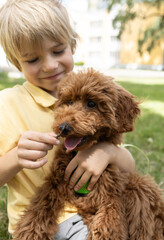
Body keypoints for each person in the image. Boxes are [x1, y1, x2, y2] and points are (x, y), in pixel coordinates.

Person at [0, 0, 135, 239]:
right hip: (39, 222)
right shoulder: (6, 105)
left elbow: (129, 167)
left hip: (95, 213)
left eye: (58, 50)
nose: (50, 65)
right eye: (33, 60)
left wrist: (108, 152)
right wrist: (15, 158)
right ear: (14, 61)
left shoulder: (92, 92)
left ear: (72, 45)